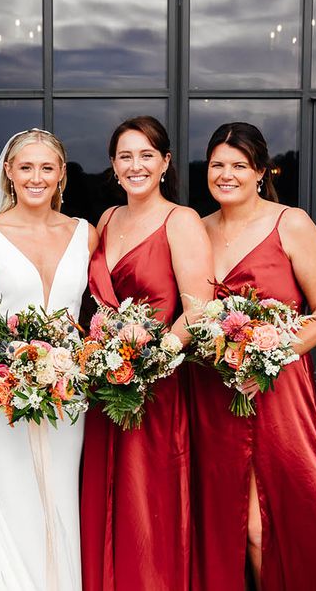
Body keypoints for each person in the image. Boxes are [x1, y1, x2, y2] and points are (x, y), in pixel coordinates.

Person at [189, 122, 316, 590]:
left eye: (238, 165)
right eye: (218, 165)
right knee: (229, 523)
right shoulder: (196, 230)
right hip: (213, 395)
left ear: (260, 171)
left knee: (269, 524)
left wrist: (265, 356)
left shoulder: (291, 223)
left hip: (277, 394)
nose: (226, 174)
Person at [0, 129, 98, 591]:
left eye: (46, 168)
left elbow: (92, 314)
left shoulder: (84, 234)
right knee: (12, 499)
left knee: (59, 496)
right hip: (1, 391)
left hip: (69, 392)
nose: (36, 177)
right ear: (8, 172)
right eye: (25, 167)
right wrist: (9, 375)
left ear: (61, 175)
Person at [80, 115, 214, 591]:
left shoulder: (181, 220)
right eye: (125, 156)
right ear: (113, 167)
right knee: (105, 498)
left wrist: (152, 361)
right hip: (105, 385)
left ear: (165, 163)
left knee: (148, 500)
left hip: (155, 387)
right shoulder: (107, 219)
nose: (135, 166)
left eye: (146, 155)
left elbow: (200, 308)